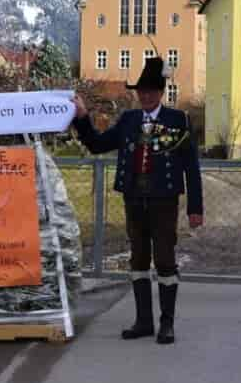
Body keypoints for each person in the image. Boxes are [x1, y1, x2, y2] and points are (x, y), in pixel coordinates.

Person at [70, 57, 203, 345]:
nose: (145, 95)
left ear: (161, 91)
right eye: (141, 90)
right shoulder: (129, 120)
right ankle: (144, 321)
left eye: (151, 90)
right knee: (138, 260)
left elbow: (191, 166)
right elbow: (98, 144)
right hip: (134, 198)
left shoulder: (177, 121)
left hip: (164, 200)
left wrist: (195, 208)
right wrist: (81, 117)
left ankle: (166, 324)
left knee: (165, 260)